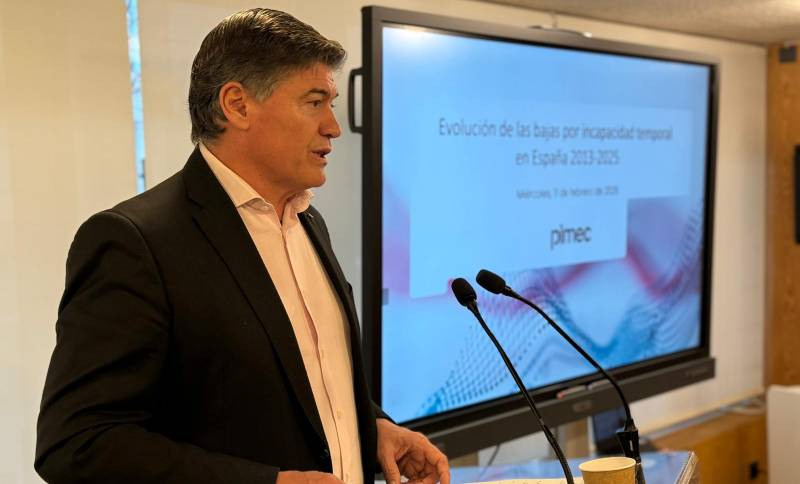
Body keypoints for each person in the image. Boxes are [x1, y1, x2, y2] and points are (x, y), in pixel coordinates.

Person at [35, 8, 450, 484]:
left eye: (332, 103)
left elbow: (303, 385)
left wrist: (371, 429)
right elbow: (77, 443)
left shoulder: (307, 221)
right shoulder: (135, 243)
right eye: (314, 102)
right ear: (237, 105)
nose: (333, 126)